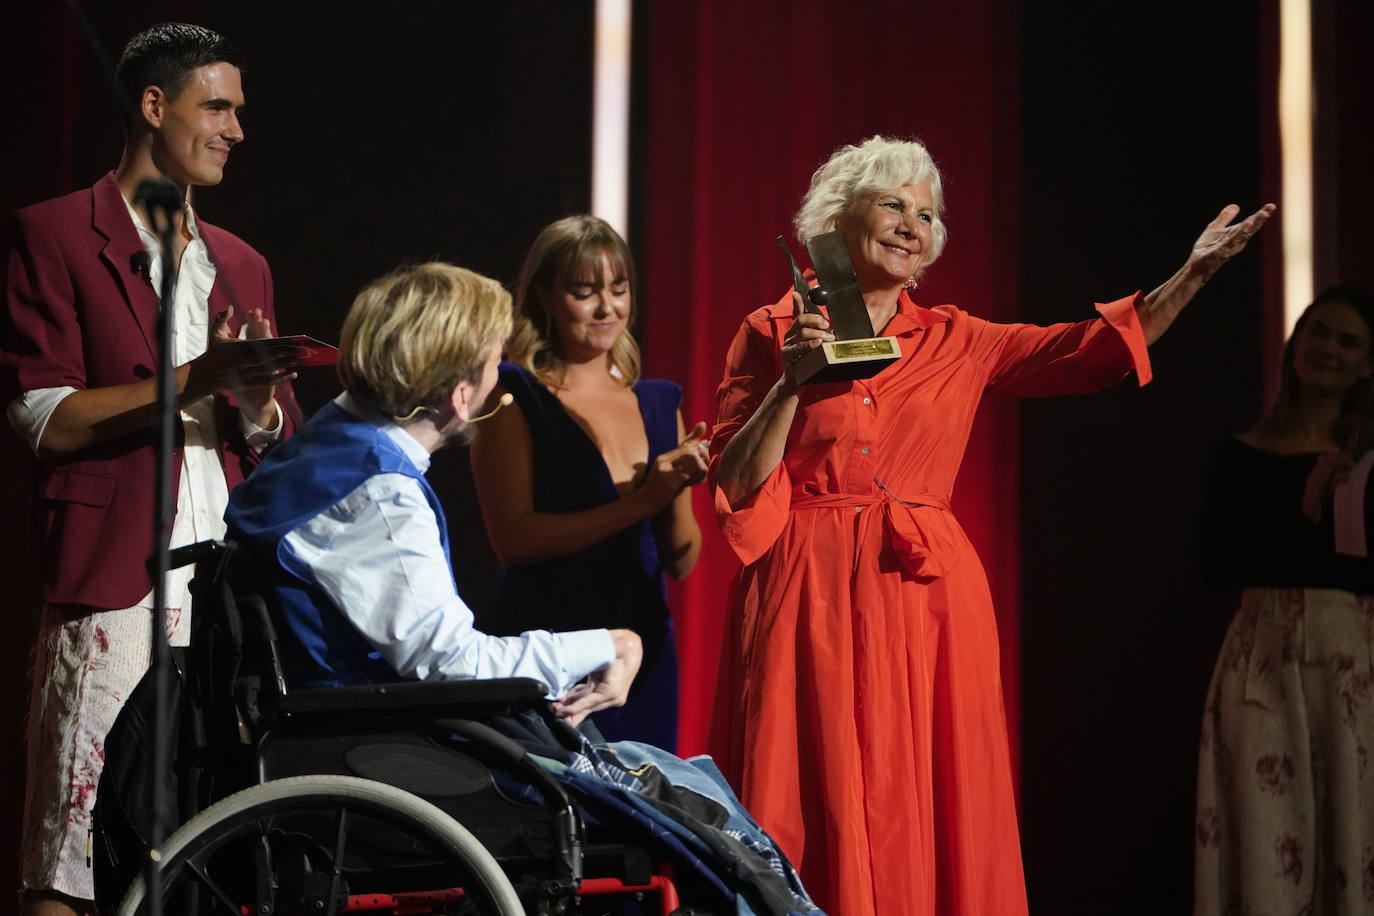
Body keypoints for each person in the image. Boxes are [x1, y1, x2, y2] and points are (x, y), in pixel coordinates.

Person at [707, 134, 1274, 916]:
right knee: (804, 793)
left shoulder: (957, 338)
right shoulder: (770, 330)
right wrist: (791, 388)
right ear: (840, 217)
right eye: (895, 205)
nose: (915, 224)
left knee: (923, 799)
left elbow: (1089, 352)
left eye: (929, 215)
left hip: (924, 599)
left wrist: (1194, 273)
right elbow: (736, 482)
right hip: (806, 596)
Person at [0, 23, 300, 916]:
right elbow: (42, 417)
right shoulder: (54, 234)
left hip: (221, 589)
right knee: (73, 845)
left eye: (240, 110)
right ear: (153, 105)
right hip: (115, 585)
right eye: (218, 106)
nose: (237, 129)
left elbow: (274, 437)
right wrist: (190, 379)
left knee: (201, 841)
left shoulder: (239, 263)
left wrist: (255, 397)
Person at [225, 261, 644, 718]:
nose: (497, 378)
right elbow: (457, 665)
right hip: (372, 743)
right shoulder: (379, 495)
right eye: (493, 363)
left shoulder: (329, 438)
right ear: (462, 397)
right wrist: (611, 645)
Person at [469, 215, 707, 750]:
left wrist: (677, 490)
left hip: (643, 655)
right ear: (547, 297)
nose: (608, 309)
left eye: (618, 291)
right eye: (585, 292)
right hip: (547, 646)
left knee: (641, 818)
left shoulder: (659, 401)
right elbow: (513, 541)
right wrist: (642, 501)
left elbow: (683, 559)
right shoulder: (513, 394)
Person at [1194, 286, 1374, 916]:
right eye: (1318, 332)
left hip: (1353, 666)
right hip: (1261, 664)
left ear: (1368, 364)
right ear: (1296, 344)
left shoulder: (1369, 468)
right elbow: (1216, 567)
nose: (1328, 348)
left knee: (1355, 832)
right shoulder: (1240, 456)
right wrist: (1299, 509)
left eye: (1348, 341)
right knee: (1266, 840)